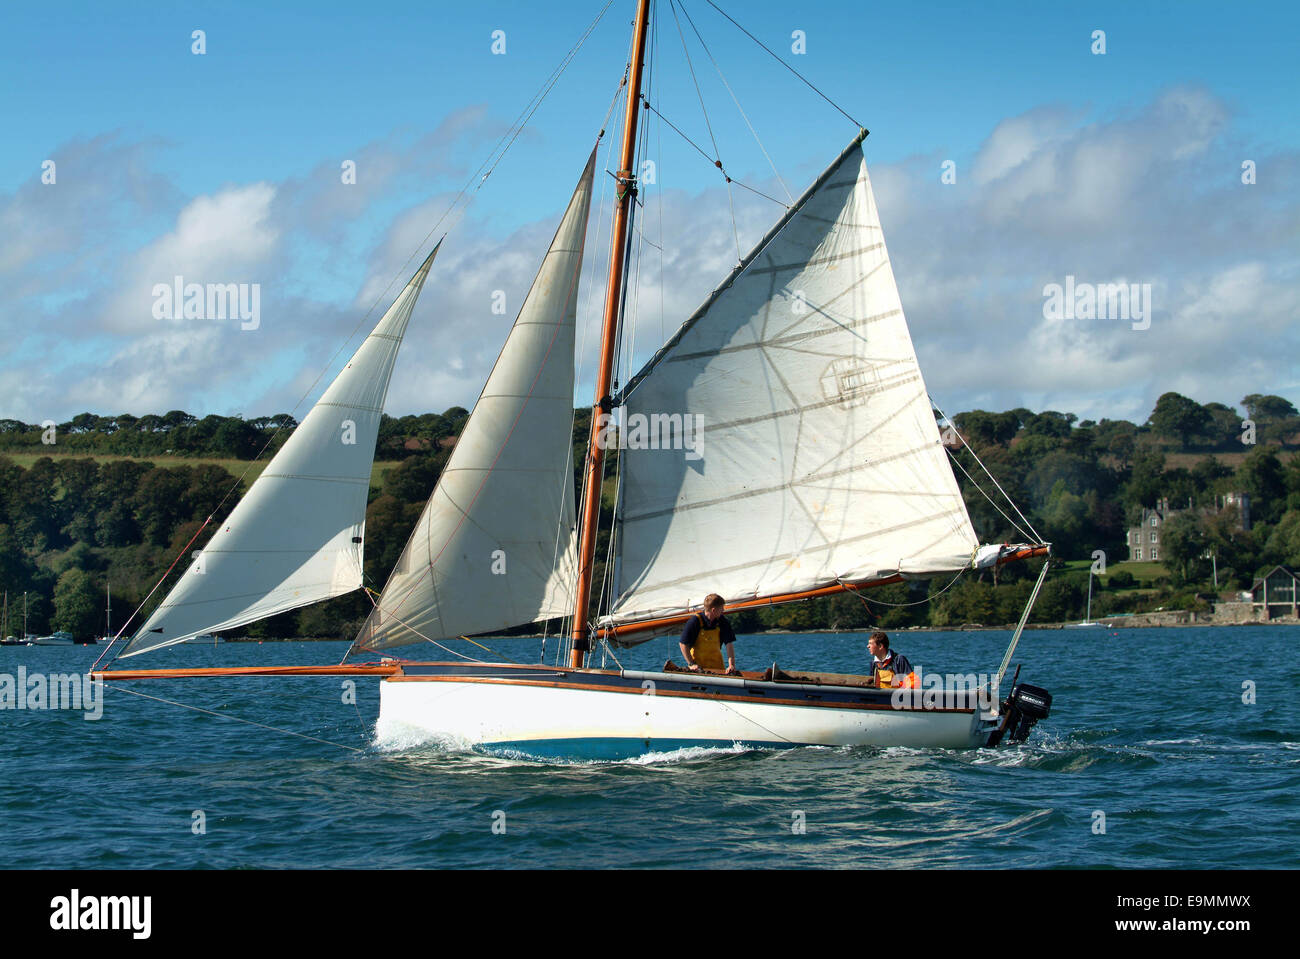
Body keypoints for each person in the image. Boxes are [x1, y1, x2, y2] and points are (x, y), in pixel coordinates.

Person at [679, 594, 738, 674]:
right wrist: (691, 664)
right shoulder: (695, 621)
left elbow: (729, 643)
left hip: (718, 667)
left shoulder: (722, 621)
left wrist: (731, 665)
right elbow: (683, 644)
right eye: (721, 608)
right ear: (713, 610)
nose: (723, 610)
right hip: (698, 669)